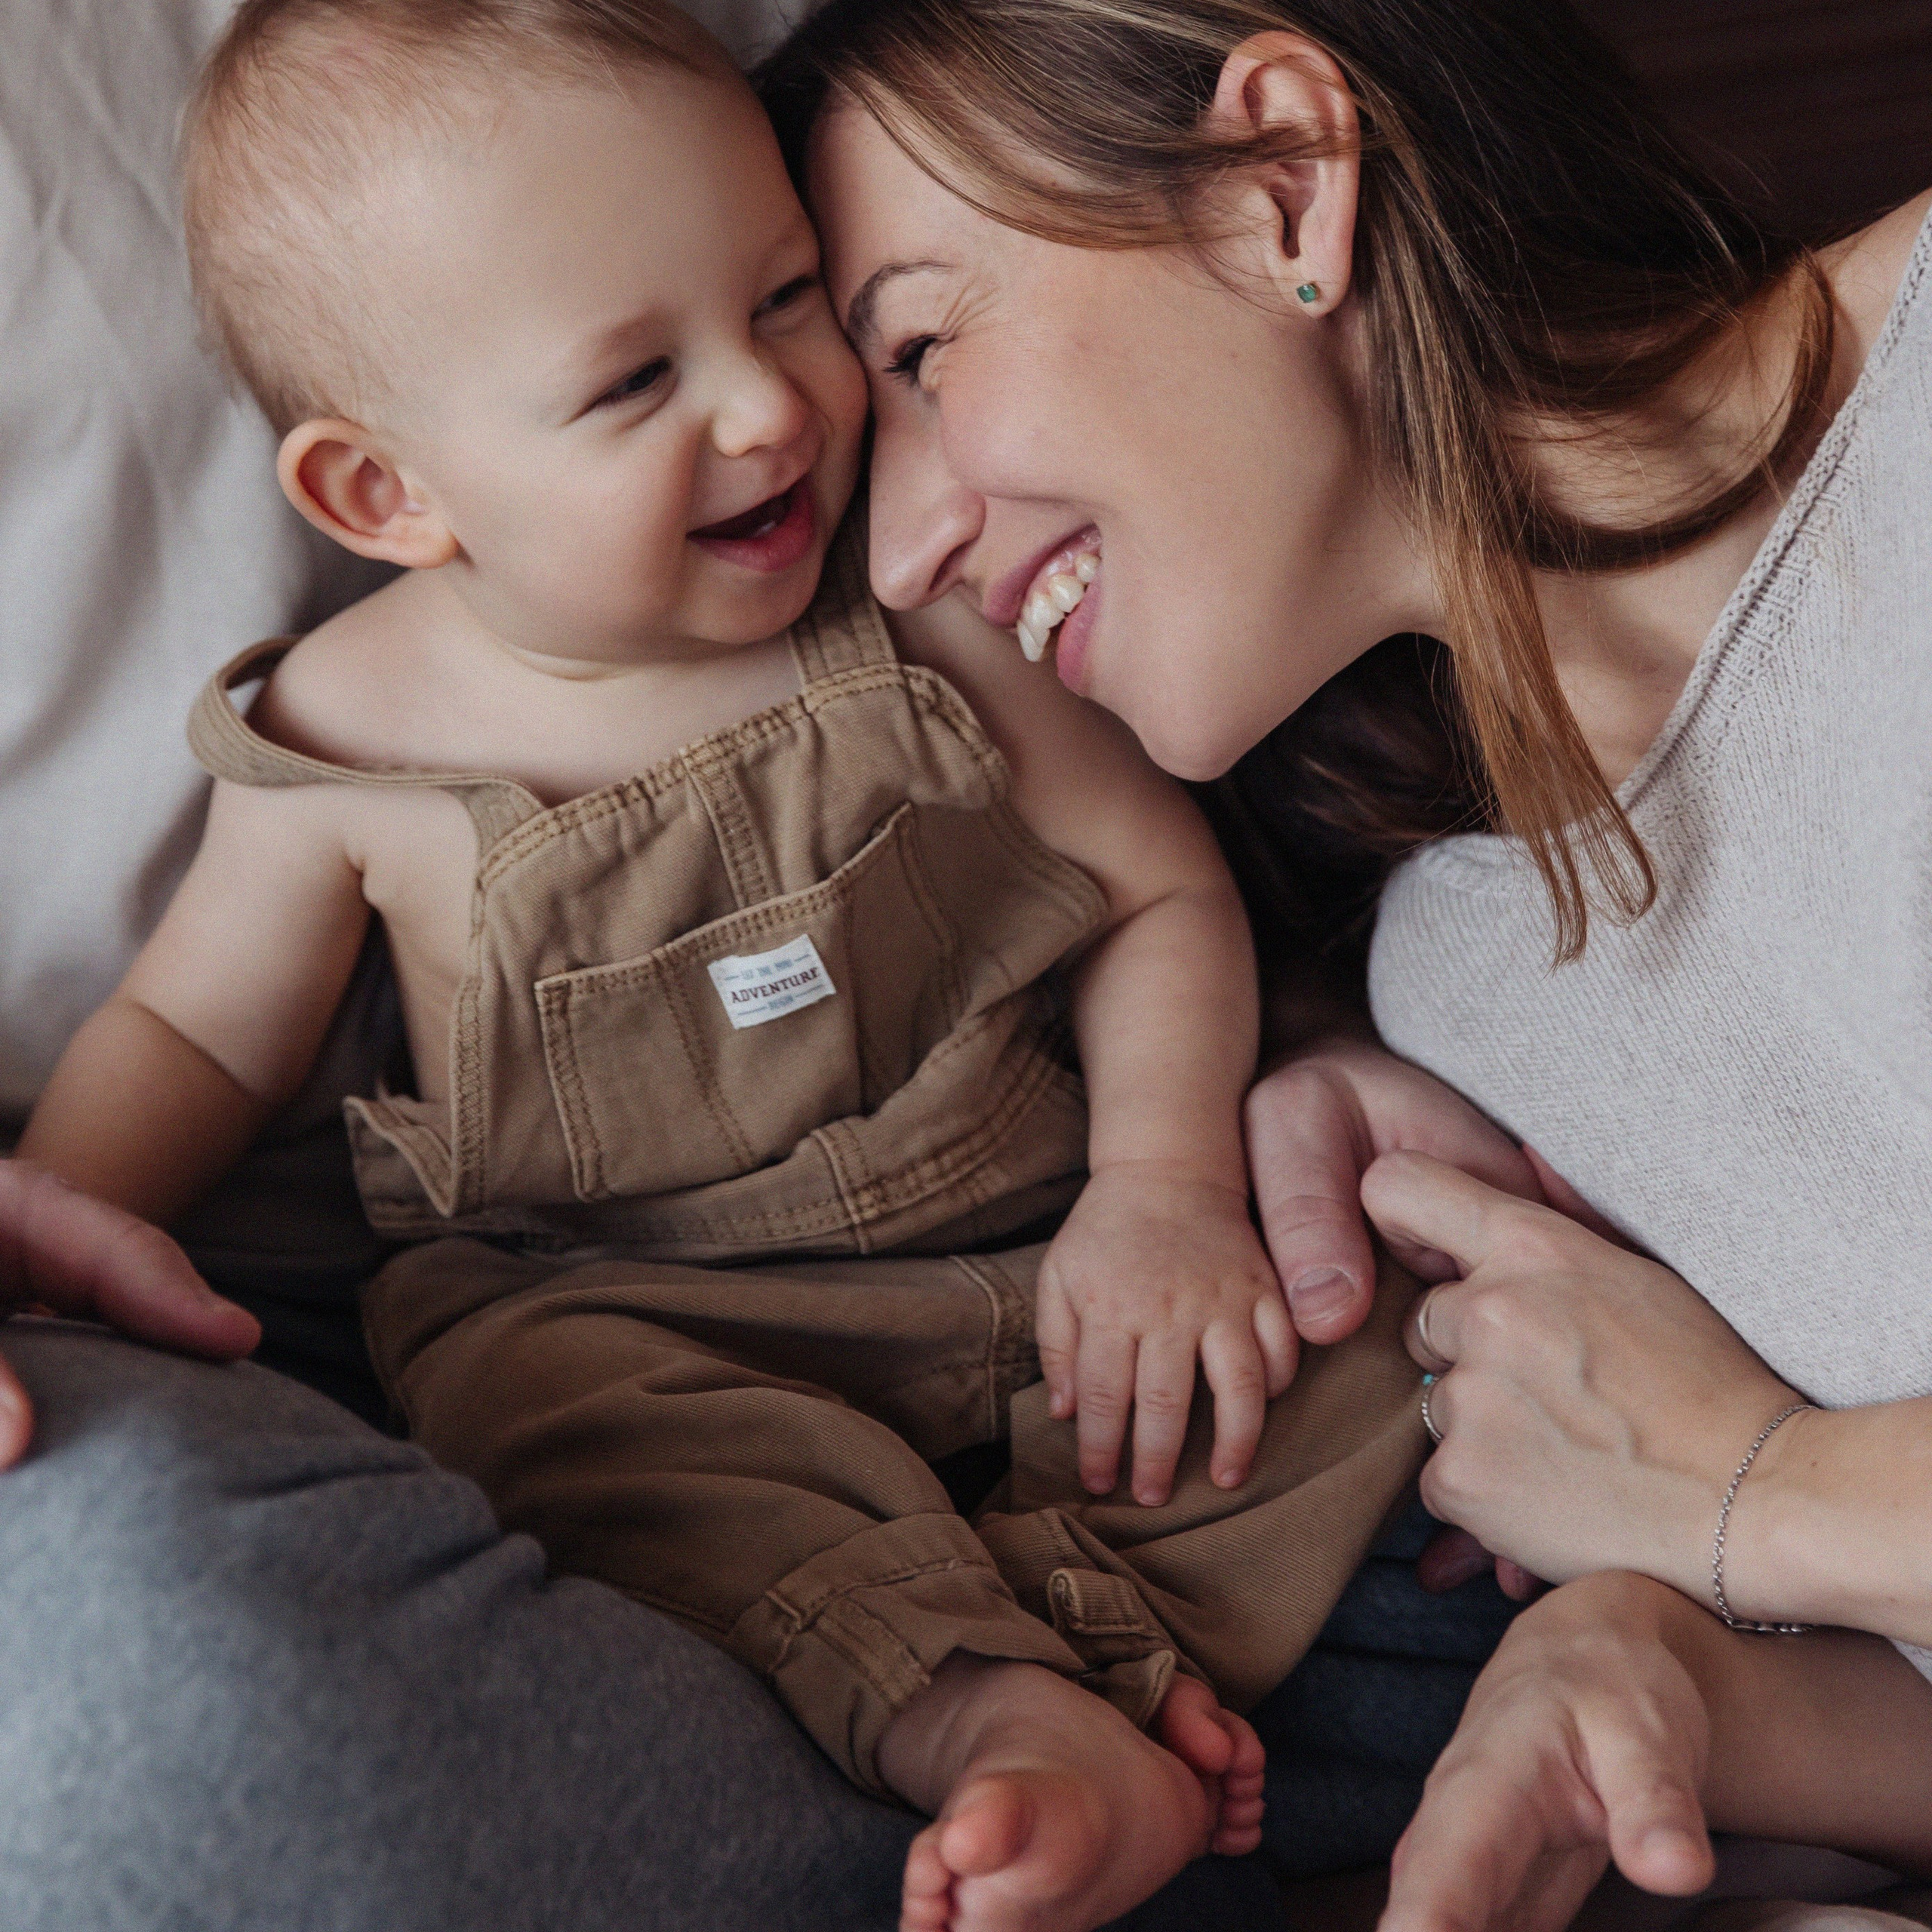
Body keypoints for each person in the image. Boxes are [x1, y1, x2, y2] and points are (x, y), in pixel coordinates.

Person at [20, 4, 1438, 1926]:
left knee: (1325, 1347)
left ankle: (1207, 1679)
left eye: (785, 299)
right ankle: (1007, 1721)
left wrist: (1164, 1189)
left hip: (1029, 1233)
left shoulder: (920, 608)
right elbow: (190, 1029)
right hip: (641, 1311)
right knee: (567, 1434)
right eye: (630, 384)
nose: (768, 406)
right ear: (387, 496)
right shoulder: (351, 743)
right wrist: (60, 1229)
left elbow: (1156, 891)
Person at [761, 0, 1932, 1923]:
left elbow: (1762, 1486)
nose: (897, 549)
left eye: (916, 347)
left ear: (1277, 184)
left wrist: (1748, 1493)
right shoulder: (1466, 977)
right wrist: (1674, 1687)